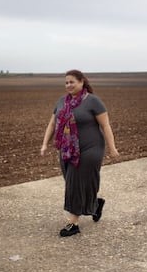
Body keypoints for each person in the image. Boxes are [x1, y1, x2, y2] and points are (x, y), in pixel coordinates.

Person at [40, 69, 119, 237]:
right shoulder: (62, 101)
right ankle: (95, 205)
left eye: (72, 82)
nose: (68, 85)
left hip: (91, 148)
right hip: (67, 149)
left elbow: (105, 126)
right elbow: (52, 124)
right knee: (72, 181)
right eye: (66, 82)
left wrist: (112, 148)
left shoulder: (93, 101)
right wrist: (44, 144)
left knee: (75, 183)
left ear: (82, 82)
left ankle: (73, 223)